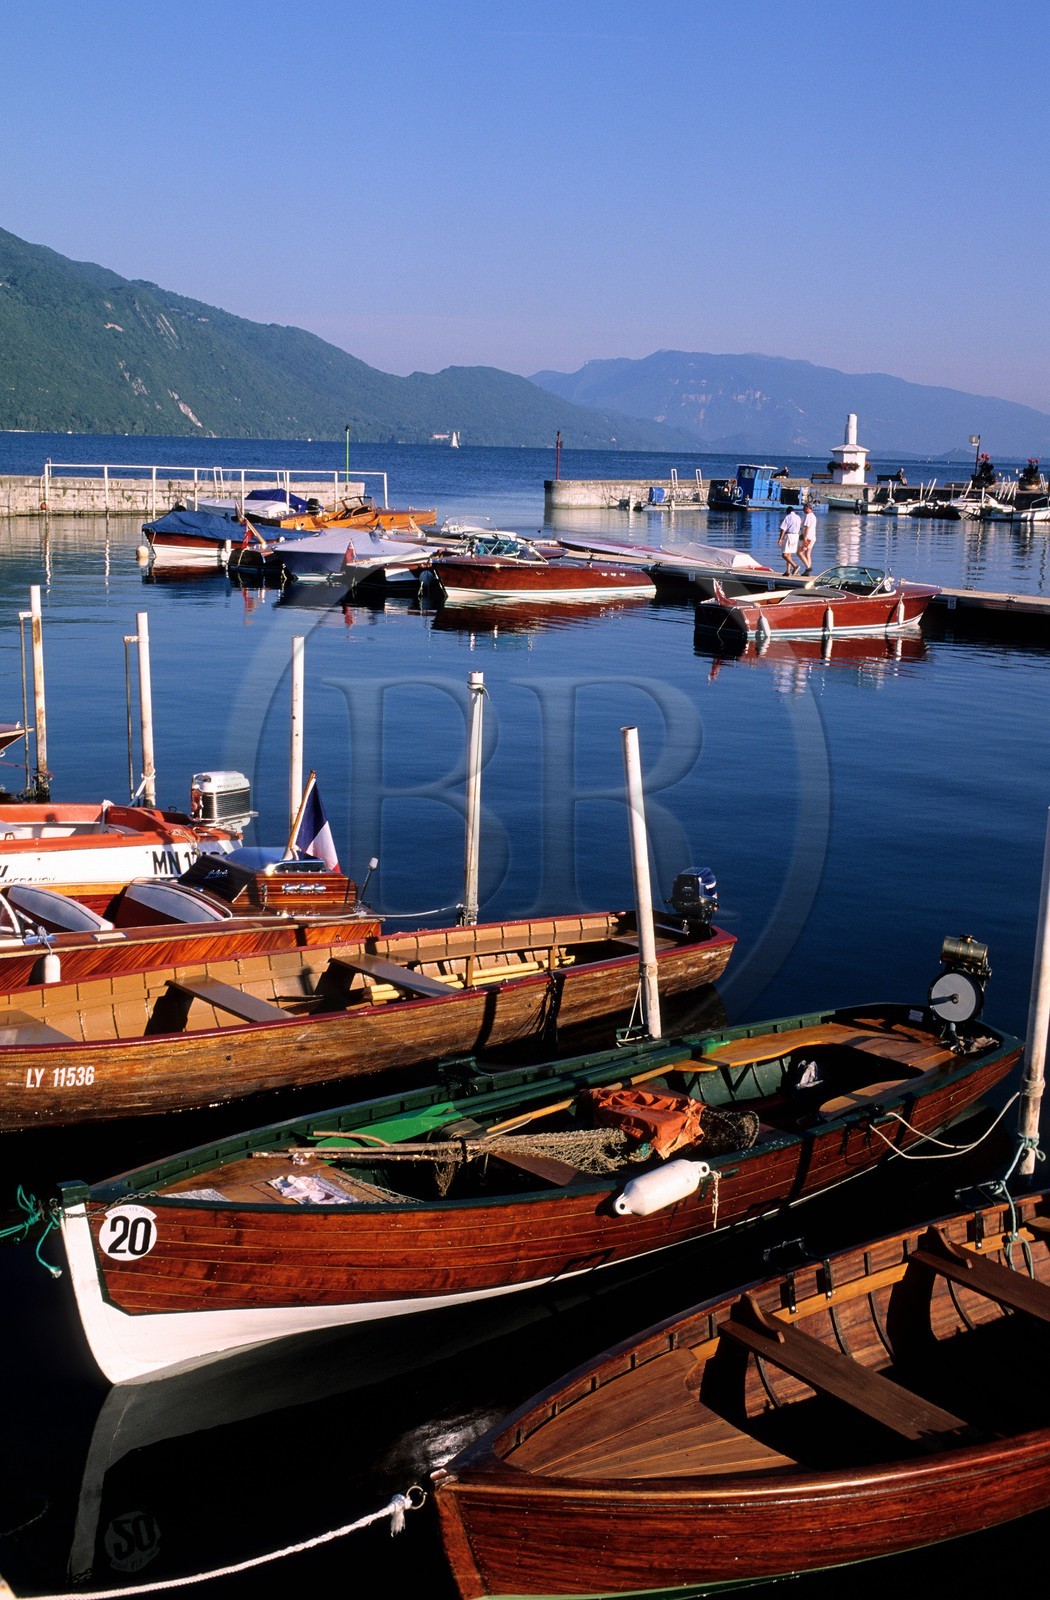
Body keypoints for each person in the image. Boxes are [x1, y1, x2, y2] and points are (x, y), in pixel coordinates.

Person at [778, 507, 802, 575]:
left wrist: (780, 539)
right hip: (796, 536)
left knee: (784, 555)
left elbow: (783, 529)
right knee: (789, 554)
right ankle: (788, 571)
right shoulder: (798, 517)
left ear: (787, 511)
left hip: (789, 535)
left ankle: (795, 566)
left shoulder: (788, 517)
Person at [799, 503, 817, 574]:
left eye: (804, 508)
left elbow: (807, 528)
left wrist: (804, 539)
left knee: (799, 552)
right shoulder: (813, 516)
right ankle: (807, 571)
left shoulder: (809, 516)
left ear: (808, 508)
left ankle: (808, 567)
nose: (803, 509)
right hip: (812, 537)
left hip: (808, 538)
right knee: (807, 554)